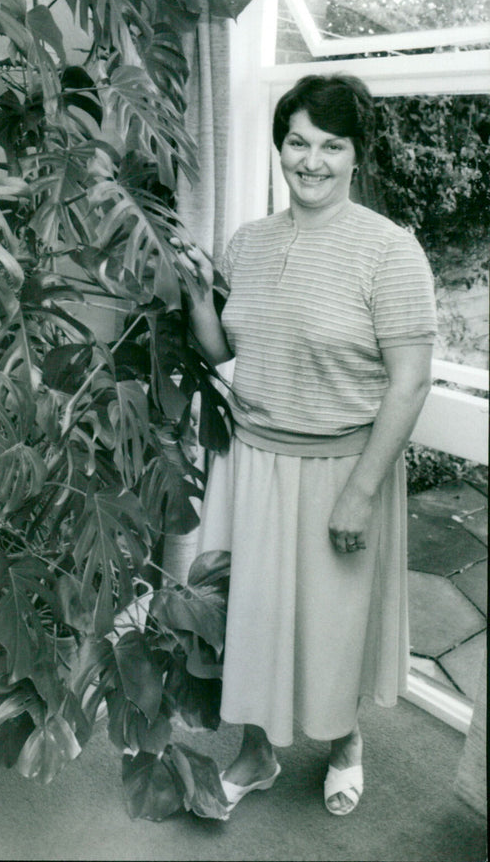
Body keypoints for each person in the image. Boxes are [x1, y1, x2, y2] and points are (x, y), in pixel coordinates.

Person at [177, 73, 437, 817]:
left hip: (341, 468)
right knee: (251, 619)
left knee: (332, 625)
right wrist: (196, 295)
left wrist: (361, 491)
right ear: (280, 147)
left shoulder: (390, 251)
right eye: (298, 142)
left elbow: (410, 382)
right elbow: (225, 350)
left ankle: (344, 742)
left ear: (357, 155)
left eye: (332, 145)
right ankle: (256, 753)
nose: (311, 160)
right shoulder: (249, 242)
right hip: (252, 461)